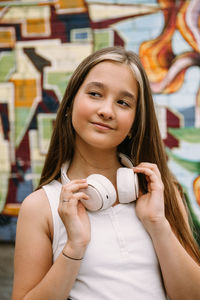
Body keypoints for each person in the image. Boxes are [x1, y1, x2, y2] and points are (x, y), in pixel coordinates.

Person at [12, 46, 200, 300]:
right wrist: (74, 248)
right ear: (69, 105)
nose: (107, 111)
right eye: (95, 94)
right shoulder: (41, 207)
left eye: (123, 102)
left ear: (134, 123)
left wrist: (158, 225)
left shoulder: (160, 194)